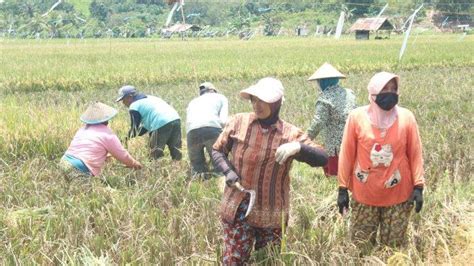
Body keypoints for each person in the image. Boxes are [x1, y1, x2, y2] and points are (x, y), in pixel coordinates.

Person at [211, 77, 328, 264]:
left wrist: (299, 148)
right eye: (254, 100)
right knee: (234, 260)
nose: (257, 105)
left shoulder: (290, 133)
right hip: (238, 206)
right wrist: (228, 172)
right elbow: (217, 150)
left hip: (272, 213)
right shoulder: (239, 122)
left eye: (263, 100)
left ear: (277, 103)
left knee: (268, 260)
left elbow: (322, 158)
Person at [337, 72, 424, 247]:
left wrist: (419, 186)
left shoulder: (406, 117)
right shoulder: (357, 117)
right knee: (361, 246)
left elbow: (415, 153)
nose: (390, 93)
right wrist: (342, 188)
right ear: (373, 92)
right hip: (365, 193)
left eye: (393, 89)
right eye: (385, 89)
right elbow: (347, 154)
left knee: (392, 248)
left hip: (398, 194)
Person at [60, 102, 142, 179]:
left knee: (72, 190)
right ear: (106, 119)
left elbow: (86, 149)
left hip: (64, 162)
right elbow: (122, 155)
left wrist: (104, 156)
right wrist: (135, 164)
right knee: (89, 192)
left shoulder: (83, 129)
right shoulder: (107, 134)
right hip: (79, 166)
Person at [307, 62, 356, 177]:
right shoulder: (349, 93)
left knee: (336, 175)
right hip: (352, 137)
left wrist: (305, 138)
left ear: (322, 82)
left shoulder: (325, 99)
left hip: (334, 145)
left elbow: (318, 122)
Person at [116, 85, 182, 160]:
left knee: (155, 152)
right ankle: (177, 165)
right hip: (175, 118)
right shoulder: (150, 98)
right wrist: (130, 137)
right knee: (176, 150)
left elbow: (134, 129)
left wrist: (125, 139)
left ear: (129, 97)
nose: (123, 103)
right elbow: (144, 128)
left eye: (123, 100)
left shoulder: (134, 106)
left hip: (160, 122)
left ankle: (156, 168)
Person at [186, 82, 228, 179]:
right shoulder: (220, 97)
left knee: (197, 167)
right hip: (212, 129)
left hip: (191, 132)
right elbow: (223, 121)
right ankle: (220, 187)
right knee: (219, 162)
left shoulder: (192, 102)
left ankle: (200, 187)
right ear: (214, 91)